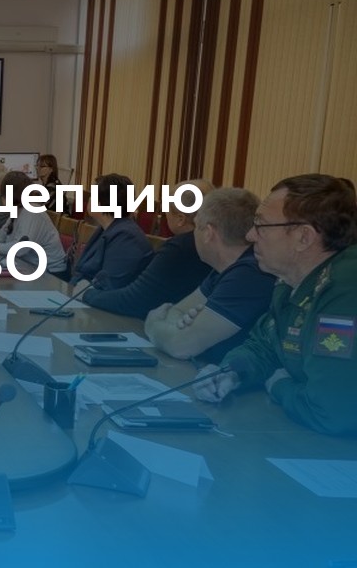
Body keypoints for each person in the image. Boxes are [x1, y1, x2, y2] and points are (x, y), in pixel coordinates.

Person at [194, 174, 357, 436]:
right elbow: (264, 345)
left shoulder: (344, 289)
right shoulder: (290, 281)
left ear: (304, 237)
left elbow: (331, 411)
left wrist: (279, 384)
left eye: (261, 225)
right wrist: (230, 372)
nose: (250, 235)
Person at [145, 188, 276, 364]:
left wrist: (152, 325)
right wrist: (180, 328)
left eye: (196, 226)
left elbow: (181, 347)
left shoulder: (250, 274)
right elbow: (177, 311)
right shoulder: (225, 268)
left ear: (208, 232)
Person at [79, 179, 214, 317]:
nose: (165, 214)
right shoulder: (212, 243)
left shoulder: (179, 249)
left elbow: (132, 300)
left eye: (166, 209)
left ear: (180, 219)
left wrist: (87, 294)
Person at [69, 173, 154, 290]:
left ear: (102, 202)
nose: (88, 199)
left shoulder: (127, 238)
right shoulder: (106, 228)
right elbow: (82, 271)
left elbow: (108, 284)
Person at [0, 171, 67, 274]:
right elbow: (2, 235)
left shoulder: (32, 212)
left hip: (51, 274)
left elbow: (20, 249)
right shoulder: (18, 210)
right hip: (28, 266)